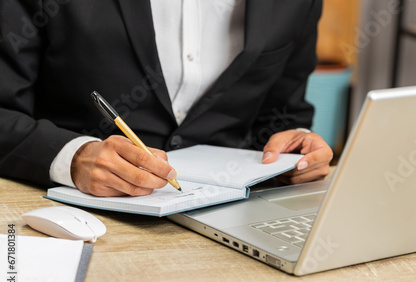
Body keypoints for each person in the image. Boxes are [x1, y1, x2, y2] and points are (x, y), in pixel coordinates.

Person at [0, 0, 333, 197]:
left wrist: (294, 151)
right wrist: (73, 157)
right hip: (67, 215)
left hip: (233, 219)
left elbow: (284, 116)